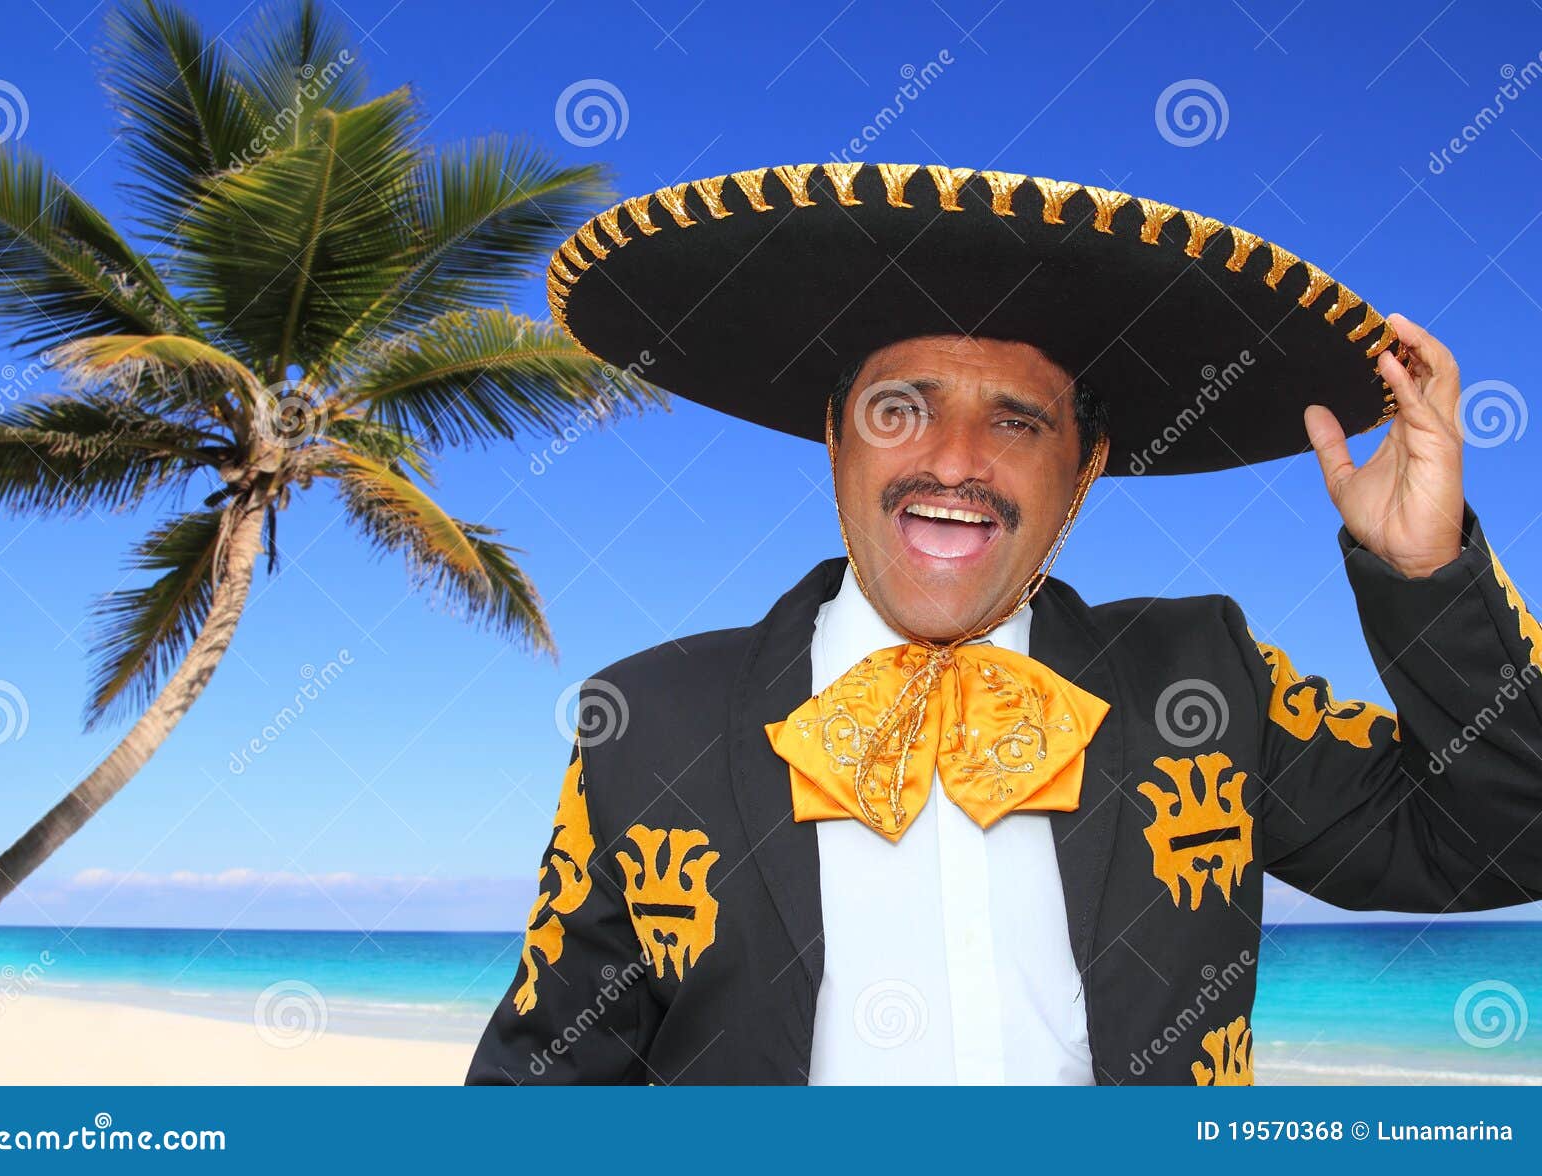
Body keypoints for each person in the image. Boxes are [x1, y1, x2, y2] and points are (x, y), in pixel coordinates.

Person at [466, 162, 1542, 1085]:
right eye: (901, 409)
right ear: (835, 442)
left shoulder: (1203, 683)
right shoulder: (650, 720)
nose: (952, 463)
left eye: (1016, 422)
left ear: (1083, 472)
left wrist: (1423, 569)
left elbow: (1508, 841)